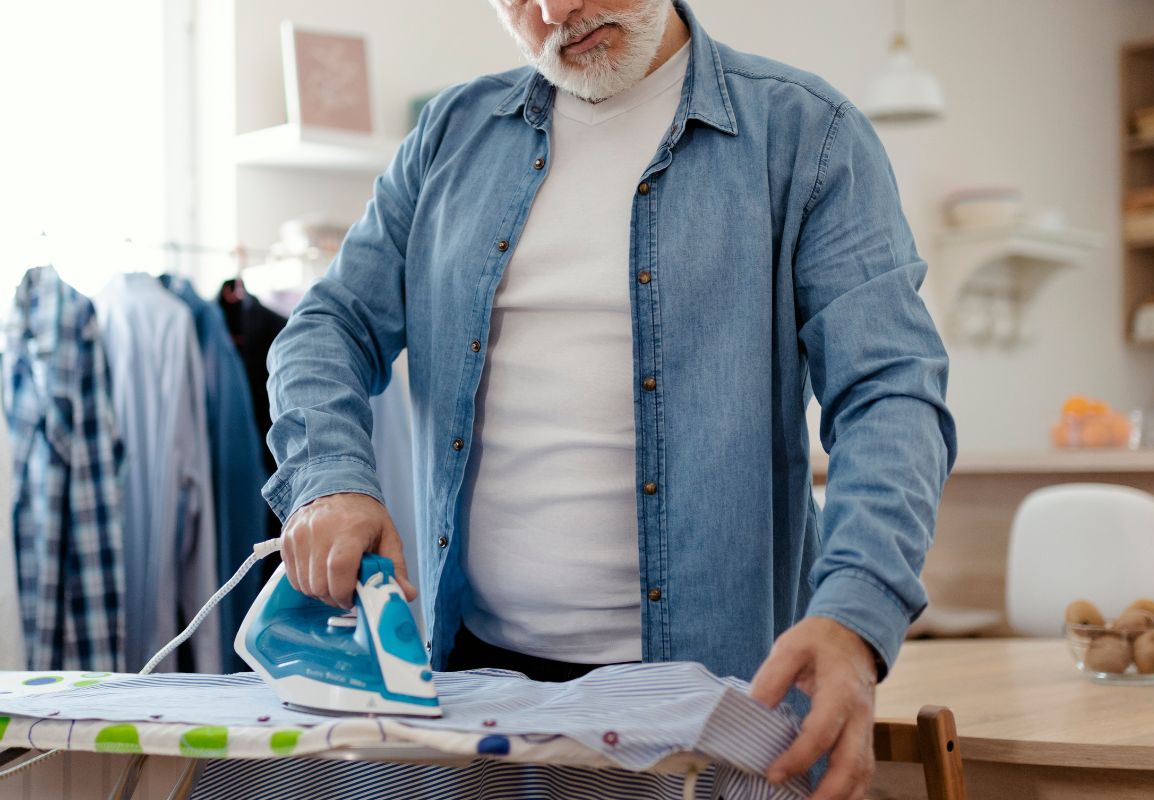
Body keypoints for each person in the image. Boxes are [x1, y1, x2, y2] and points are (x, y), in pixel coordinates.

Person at [263, 0, 956, 796]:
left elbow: (891, 391)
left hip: (715, 713)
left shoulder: (808, 135)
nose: (556, 10)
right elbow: (328, 325)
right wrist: (329, 479)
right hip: (474, 699)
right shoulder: (449, 137)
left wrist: (856, 611)